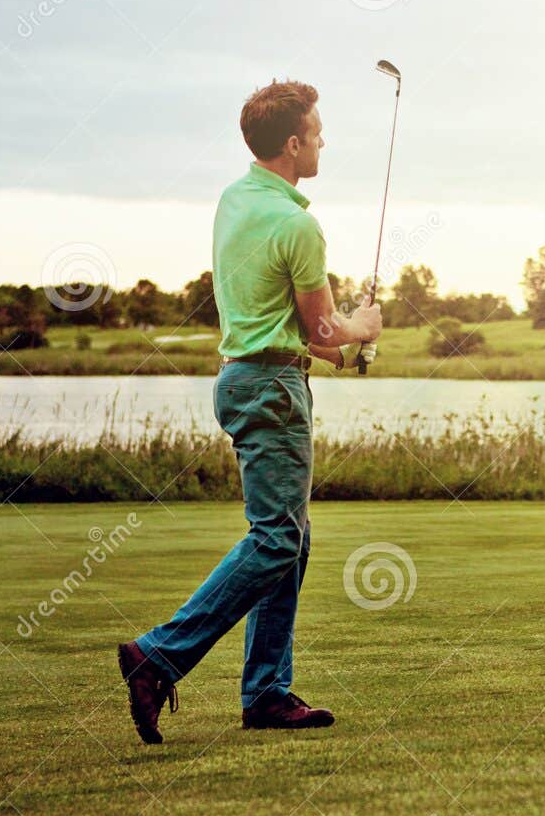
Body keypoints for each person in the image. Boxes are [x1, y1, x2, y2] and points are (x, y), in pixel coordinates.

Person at [118, 79, 382, 743]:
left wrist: (334, 353)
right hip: (270, 389)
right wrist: (363, 327)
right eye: (317, 132)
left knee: (290, 541)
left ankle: (266, 691)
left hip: (244, 377)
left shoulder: (235, 202)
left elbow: (277, 319)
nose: (323, 141)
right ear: (293, 143)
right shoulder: (298, 223)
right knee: (276, 541)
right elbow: (320, 329)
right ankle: (160, 654)